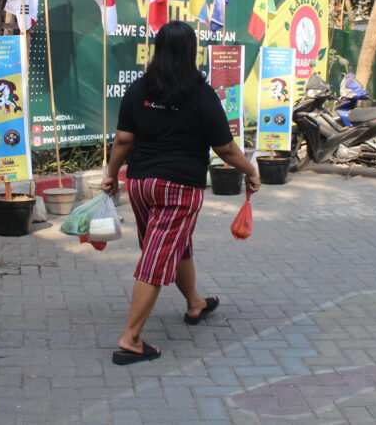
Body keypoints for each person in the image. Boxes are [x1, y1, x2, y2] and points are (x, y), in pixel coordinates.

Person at [101, 20, 261, 365]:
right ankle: (131, 338)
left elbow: (123, 141)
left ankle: (195, 303)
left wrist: (112, 175)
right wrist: (250, 171)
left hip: (142, 185)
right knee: (156, 259)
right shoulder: (202, 94)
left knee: (174, 246)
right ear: (192, 52)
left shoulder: (140, 89)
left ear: (158, 50)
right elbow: (226, 149)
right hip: (179, 188)